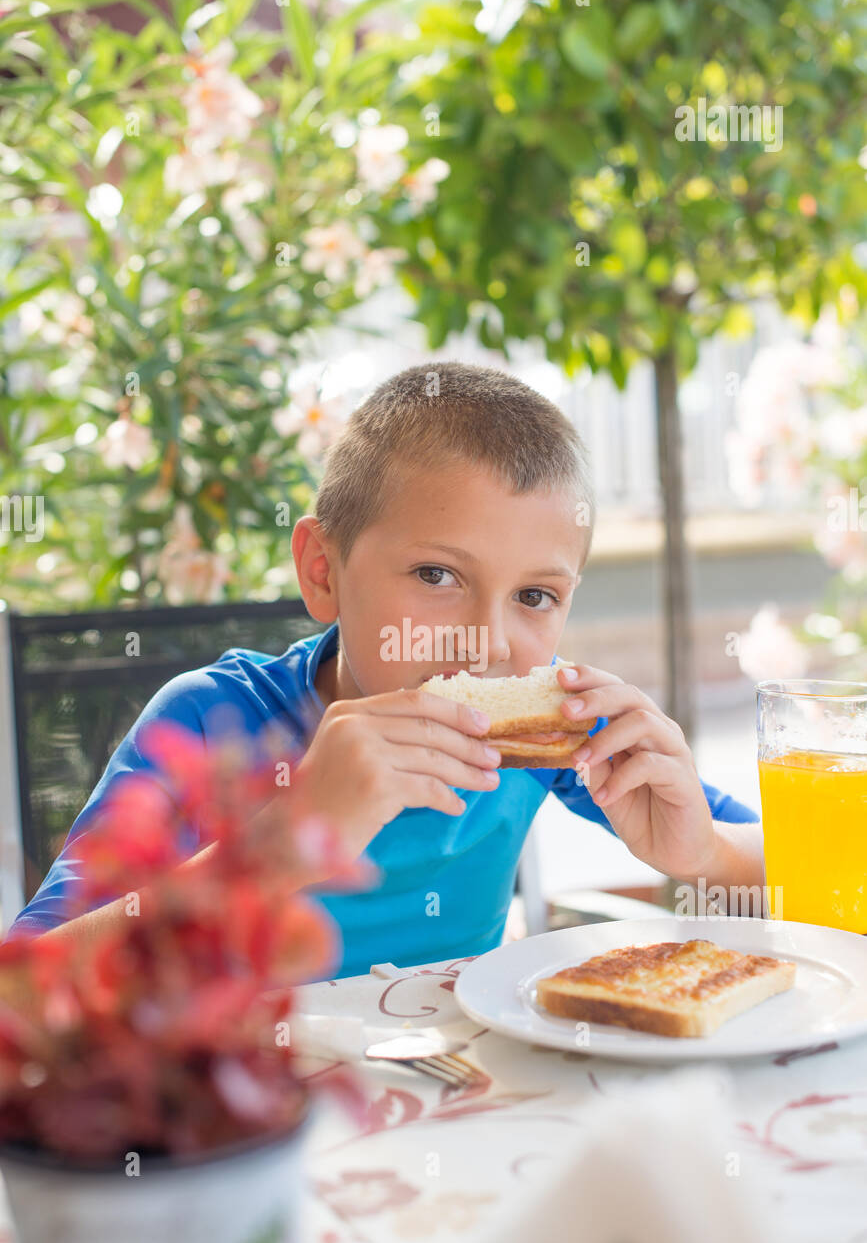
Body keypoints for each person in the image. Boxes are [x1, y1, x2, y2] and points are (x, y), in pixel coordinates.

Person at [8, 362, 762, 978]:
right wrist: (284, 842)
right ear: (321, 569)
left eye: (535, 595)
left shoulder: (560, 733)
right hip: (246, 1131)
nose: (485, 646)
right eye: (436, 575)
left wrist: (705, 851)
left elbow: (808, 872)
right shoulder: (210, 720)